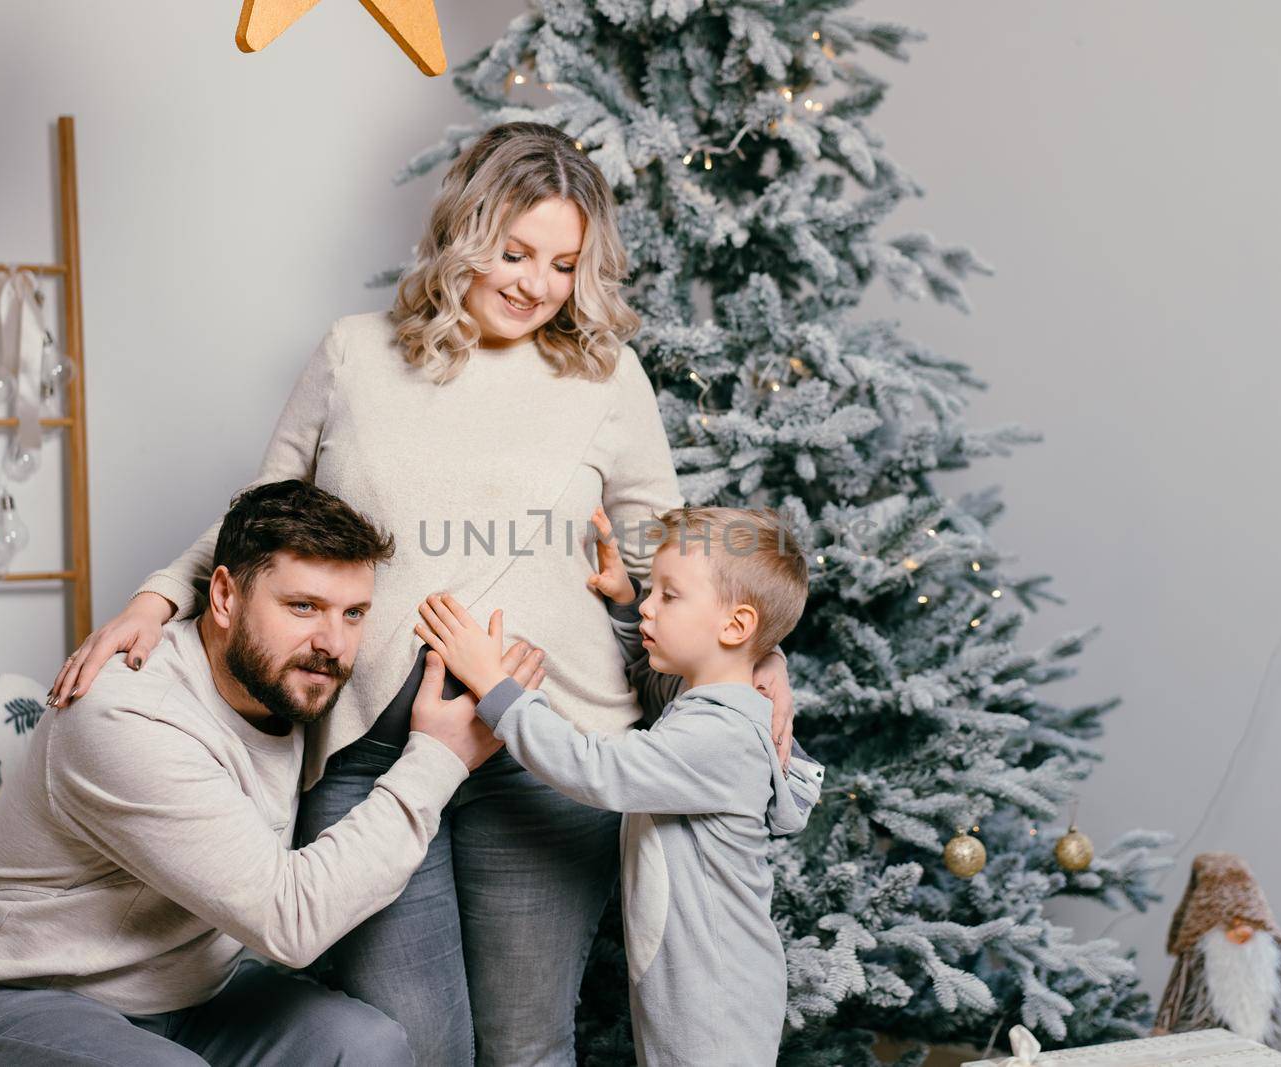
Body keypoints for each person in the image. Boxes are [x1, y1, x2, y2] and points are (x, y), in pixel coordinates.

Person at [44, 122, 797, 1065]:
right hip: (367, 749)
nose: (534, 284)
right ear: (462, 234)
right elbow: (264, 517)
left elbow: (678, 556)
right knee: (413, 1047)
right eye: (514, 252)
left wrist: (758, 656)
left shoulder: (605, 377)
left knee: (527, 1046)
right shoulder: (354, 353)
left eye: (563, 264)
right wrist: (160, 596)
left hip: (549, 755)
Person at [0, 480, 536, 1067]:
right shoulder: (126, 711)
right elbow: (291, 918)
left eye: (354, 613)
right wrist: (440, 756)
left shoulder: (293, 678)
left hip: (189, 1000)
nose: (333, 644)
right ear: (223, 595)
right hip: (10, 999)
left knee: (369, 1045)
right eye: (303, 606)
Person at [414, 504, 823, 1065]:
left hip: (717, 995)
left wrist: (495, 683)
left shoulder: (721, 735)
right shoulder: (704, 704)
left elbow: (597, 768)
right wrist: (629, 606)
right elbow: (656, 688)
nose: (652, 604)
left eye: (669, 596)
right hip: (691, 982)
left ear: (735, 626)